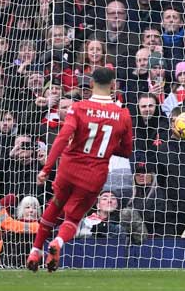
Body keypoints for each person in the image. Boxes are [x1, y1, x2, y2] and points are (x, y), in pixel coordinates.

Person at [26, 67, 133, 272]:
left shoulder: (79, 108)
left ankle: (36, 250)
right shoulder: (123, 115)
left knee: (55, 204)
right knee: (73, 218)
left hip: (68, 168)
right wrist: (108, 146)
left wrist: (46, 169)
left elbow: (62, 138)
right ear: (113, 85)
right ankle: (57, 242)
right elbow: (127, 150)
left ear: (91, 84)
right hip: (94, 175)